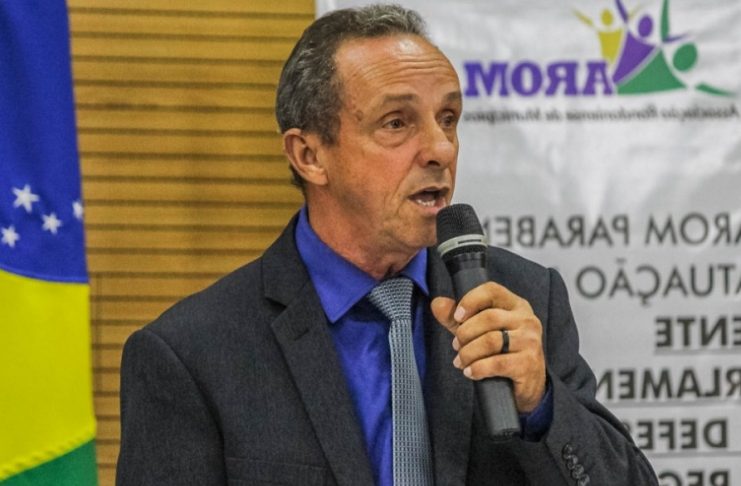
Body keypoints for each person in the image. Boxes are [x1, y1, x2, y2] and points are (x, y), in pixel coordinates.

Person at [116, 4, 658, 485]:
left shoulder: (522, 299)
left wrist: (541, 403)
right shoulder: (191, 355)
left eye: (448, 119)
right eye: (397, 123)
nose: (441, 149)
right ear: (309, 156)